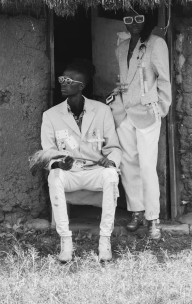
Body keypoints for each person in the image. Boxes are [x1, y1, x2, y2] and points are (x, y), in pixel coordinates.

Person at [40, 62, 122, 262]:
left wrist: (109, 163)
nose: (63, 83)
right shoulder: (50, 116)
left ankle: (105, 241)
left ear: (81, 86)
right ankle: (66, 243)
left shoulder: (102, 111)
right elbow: (47, 152)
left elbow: (114, 148)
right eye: (61, 80)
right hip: (70, 173)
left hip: (95, 171)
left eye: (68, 81)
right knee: (54, 177)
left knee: (111, 177)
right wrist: (59, 164)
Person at [111, 10, 171, 239]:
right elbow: (124, 79)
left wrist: (161, 108)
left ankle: (153, 218)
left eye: (138, 19)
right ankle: (137, 210)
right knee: (128, 164)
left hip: (147, 112)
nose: (133, 24)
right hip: (124, 113)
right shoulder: (120, 47)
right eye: (128, 19)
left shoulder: (156, 44)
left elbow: (164, 79)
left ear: (147, 20)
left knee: (147, 166)